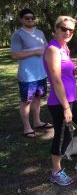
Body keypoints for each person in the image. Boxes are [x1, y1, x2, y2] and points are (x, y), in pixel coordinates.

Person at [43, 16, 77, 186]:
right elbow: (56, 79)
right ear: (56, 28)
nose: (67, 32)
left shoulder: (64, 48)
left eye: (71, 30)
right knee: (63, 137)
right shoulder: (52, 49)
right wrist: (66, 107)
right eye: (64, 28)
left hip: (70, 99)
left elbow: (69, 73)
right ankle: (56, 172)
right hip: (60, 102)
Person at [10, 8, 52, 138]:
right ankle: (27, 127)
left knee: (38, 98)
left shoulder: (39, 33)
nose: (30, 20)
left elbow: (46, 49)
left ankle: (37, 122)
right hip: (27, 75)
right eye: (27, 18)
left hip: (41, 73)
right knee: (26, 101)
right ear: (21, 19)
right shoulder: (18, 35)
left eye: (32, 18)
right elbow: (14, 55)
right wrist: (34, 52)